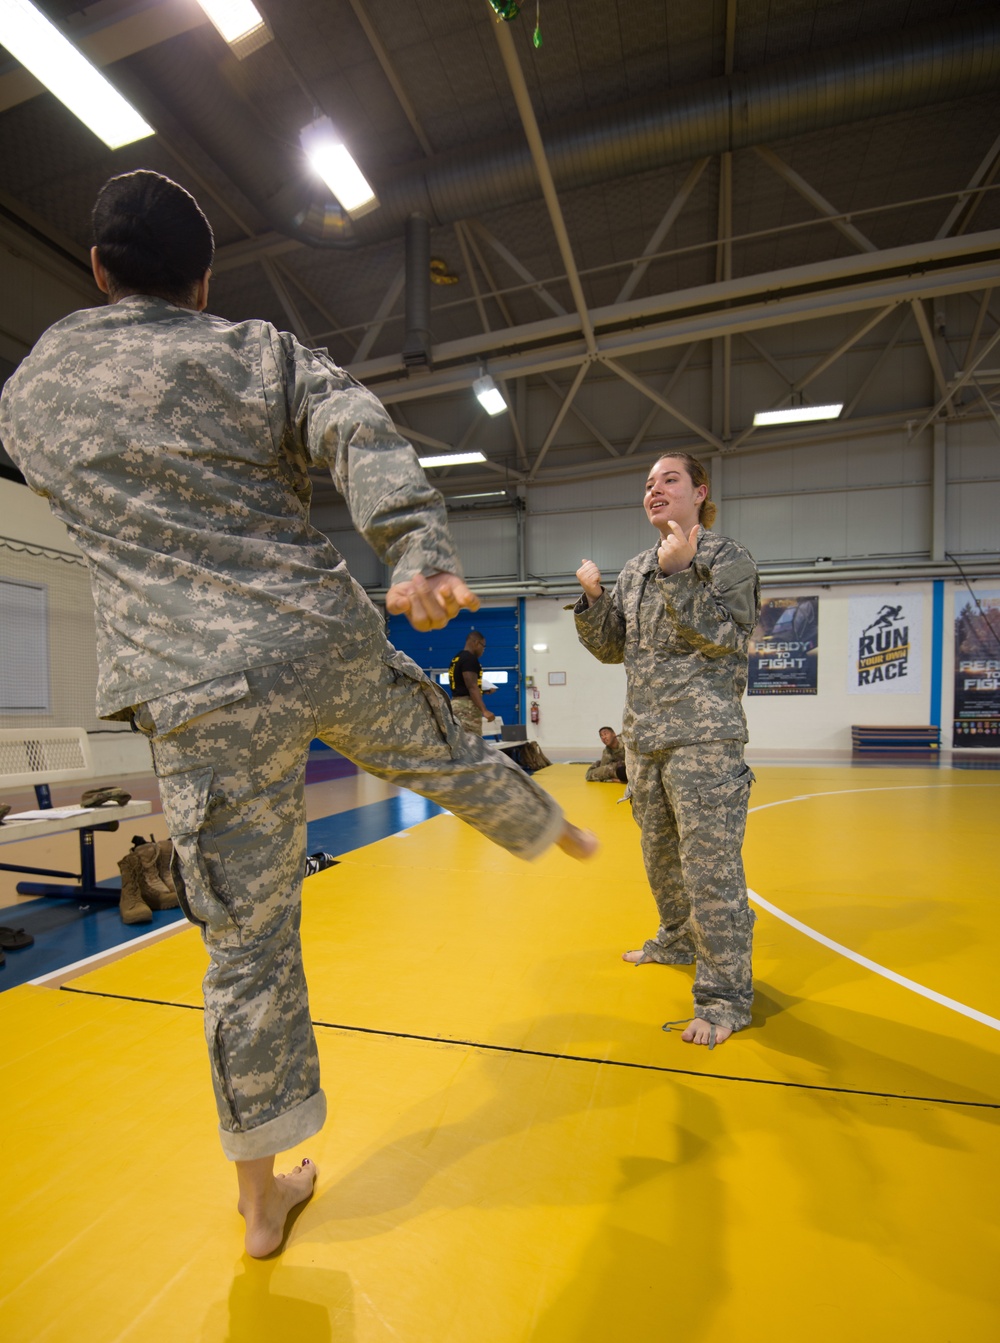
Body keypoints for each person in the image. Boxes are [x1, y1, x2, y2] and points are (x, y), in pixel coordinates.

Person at [0, 170, 597, 1257]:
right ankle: (544, 823)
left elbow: (53, 474)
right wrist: (415, 547)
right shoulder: (254, 352)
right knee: (434, 741)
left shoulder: (37, 389)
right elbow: (353, 425)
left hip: (190, 684)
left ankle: (261, 1201)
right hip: (310, 632)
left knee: (246, 947)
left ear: (95, 271)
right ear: (204, 281)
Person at [574, 453, 759, 1048]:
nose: (655, 490)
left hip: (705, 740)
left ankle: (726, 997)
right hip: (646, 742)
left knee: (712, 874)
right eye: (649, 483)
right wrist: (593, 600)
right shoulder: (635, 570)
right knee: (662, 863)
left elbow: (727, 638)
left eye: (669, 480)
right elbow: (610, 648)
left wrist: (682, 574)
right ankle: (676, 940)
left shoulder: (725, 559)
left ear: (700, 491)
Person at [447, 629, 494, 736]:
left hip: (456, 704)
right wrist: (484, 710)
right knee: (472, 744)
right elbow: (471, 686)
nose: (483, 650)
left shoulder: (457, 658)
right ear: (476, 643)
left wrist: (483, 690)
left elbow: (461, 684)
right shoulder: (469, 659)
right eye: (483, 646)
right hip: (466, 709)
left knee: (460, 743)